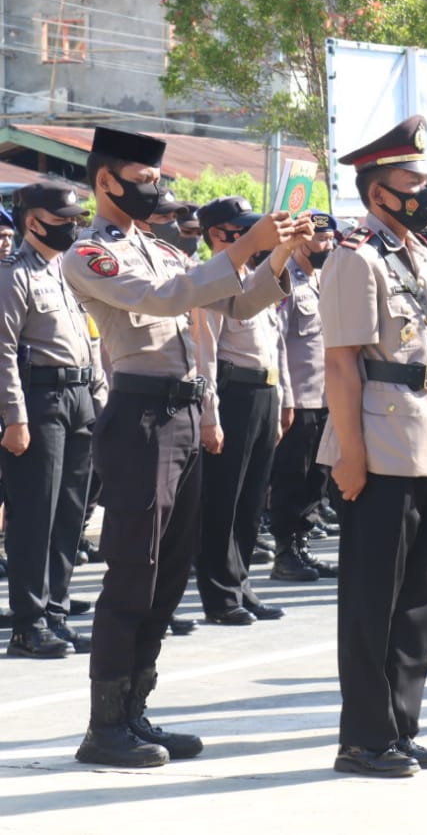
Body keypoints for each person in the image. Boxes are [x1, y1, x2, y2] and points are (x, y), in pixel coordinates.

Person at [66, 126, 303, 768]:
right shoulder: (90, 253)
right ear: (107, 181)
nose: (156, 191)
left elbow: (239, 305)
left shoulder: (165, 250)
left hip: (186, 411)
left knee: (170, 574)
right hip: (140, 414)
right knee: (133, 571)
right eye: (144, 180)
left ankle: (136, 711)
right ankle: (104, 726)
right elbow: (160, 300)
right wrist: (243, 247)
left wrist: (276, 254)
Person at [318, 114, 427, 776]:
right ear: (379, 193)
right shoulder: (355, 257)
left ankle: (402, 723)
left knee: (421, 592)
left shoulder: (419, 255)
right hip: (378, 441)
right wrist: (349, 453)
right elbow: (343, 364)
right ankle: (364, 737)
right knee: (373, 595)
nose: (426, 195)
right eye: (414, 184)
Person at [1, 183, 104, 659]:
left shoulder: (66, 270)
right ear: (33, 220)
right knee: (34, 516)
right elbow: (3, 352)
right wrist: (14, 417)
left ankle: (56, 614)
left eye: (75, 217)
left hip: (80, 395)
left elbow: (91, 337)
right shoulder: (13, 274)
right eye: (62, 218)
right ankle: (29, 622)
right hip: (39, 399)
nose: (72, 225)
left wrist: (98, 395)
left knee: (70, 514)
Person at [193, 196, 292, 627]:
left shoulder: (254, 278)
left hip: (263, 395)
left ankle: (241, 583)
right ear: (219, 235)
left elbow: (275, 345)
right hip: (232, 396)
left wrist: (284, 397)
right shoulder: (209, 281)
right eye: (243, 229)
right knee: (223, 499)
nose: (254, 236)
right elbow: (205, 354)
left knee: (251, 500)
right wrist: (210, 416)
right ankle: (220, 595)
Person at [269, 212, 339, 583]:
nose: (326, 246)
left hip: (327, 397)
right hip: (299, 399)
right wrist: (286, 399)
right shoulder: (287, 283)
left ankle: (302, 545)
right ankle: (285, 552)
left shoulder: (325, 282)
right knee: (291, 479)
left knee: (317, 479)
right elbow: (276, 342)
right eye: (320, 240)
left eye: (330, 239)